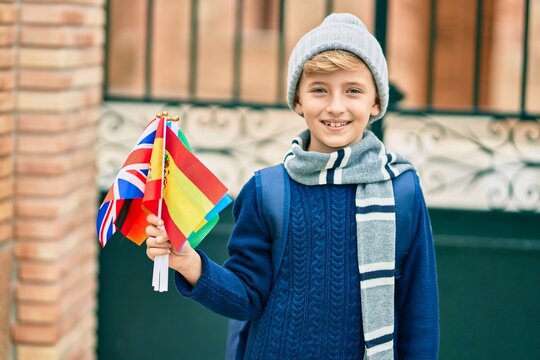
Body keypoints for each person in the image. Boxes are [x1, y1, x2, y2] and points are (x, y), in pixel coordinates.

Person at [146, 13, 439, 360]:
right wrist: (188, 261)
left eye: (353, 91)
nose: (335, 106)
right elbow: (246, 296)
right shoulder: (267, 190)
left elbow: (418, 315)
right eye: (319, 90)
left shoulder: (401, 190)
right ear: (298, 100)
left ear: (376, 102)